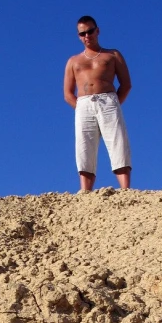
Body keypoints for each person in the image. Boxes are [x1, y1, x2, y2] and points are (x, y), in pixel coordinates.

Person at [64, 15, 132, 191]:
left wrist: (114, 103)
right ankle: (85, 192)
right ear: (79, 36)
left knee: (118, 142)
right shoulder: (73, 61)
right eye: (82, 33)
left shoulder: (113, 55)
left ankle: (125, 190)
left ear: (97, 30)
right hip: (84, 104)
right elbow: (67, 93)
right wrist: (80, 107)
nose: (87, 36)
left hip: (108, 100)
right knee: (84, 147)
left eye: (90, 31)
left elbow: (126, 84)